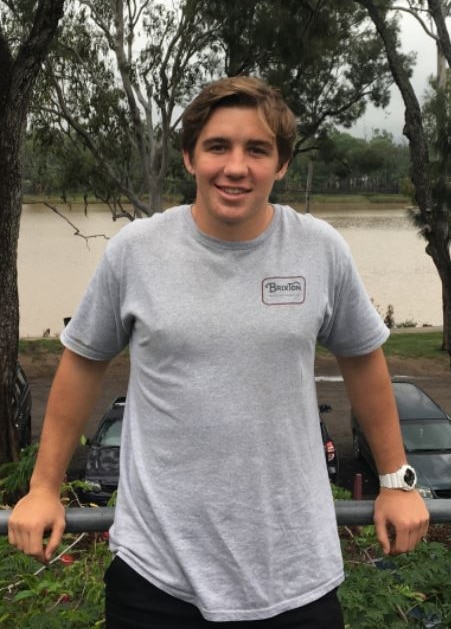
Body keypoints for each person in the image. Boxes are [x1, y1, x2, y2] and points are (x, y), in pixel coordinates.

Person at [8, 76, 429, 628]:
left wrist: (395, 481)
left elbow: (363, 361)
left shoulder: (320, 250)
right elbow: (82, 364)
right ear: (188, 157)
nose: (236, 167)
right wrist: (43, 488)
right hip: (155, 574)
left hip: (295, 574)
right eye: (217, 147)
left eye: (257, 150)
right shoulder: (136, 252)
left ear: (280, 165)